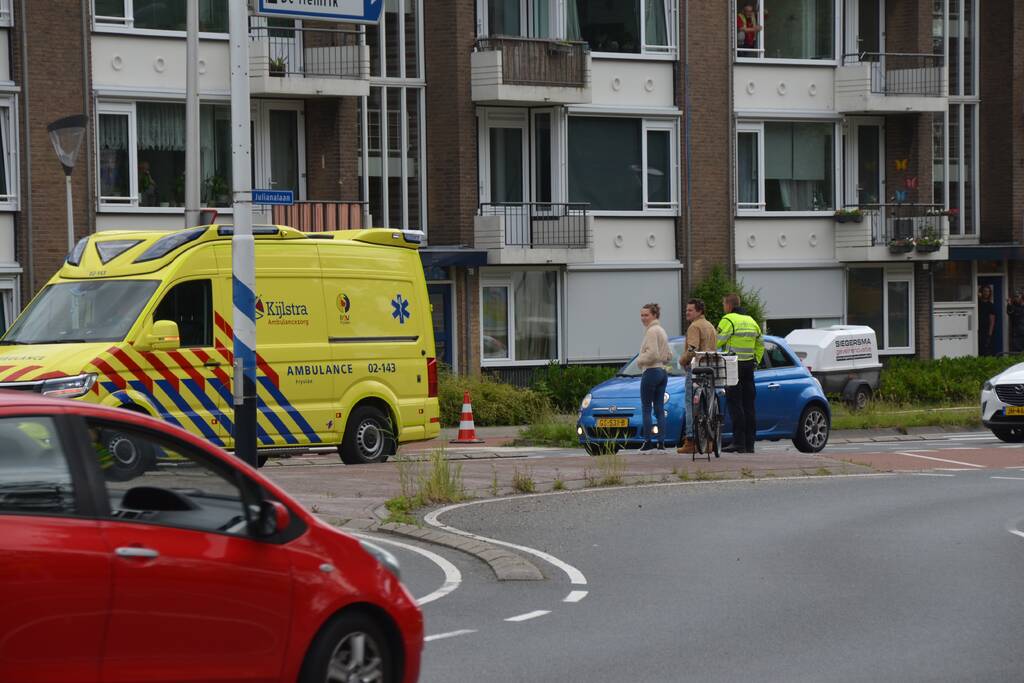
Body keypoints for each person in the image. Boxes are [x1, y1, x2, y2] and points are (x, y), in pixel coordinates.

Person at [717, 293, 764, 454]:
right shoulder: (752, 321)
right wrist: (755, 360)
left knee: (735, 404)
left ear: (729, 305)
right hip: (749, 366)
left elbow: (718, 340)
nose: (724, 308)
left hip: (732, 365)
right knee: (749, 405)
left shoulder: (728, 319)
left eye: (724, 304)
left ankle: (738, 443)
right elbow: (761, 343)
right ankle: (750, 444)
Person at [677, 298, 717, 455]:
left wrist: (682, 360)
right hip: (710, 369)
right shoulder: (710, 326)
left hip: (696, 369)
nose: (687, 312)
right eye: (686, 310)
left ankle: (691, 440)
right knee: (707, 405)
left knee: (691, 404)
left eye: (690, 310)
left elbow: (692, 349)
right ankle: (710, 441)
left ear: (699, 311)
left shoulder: (694, 326)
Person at [636, 302, 671, 452]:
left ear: (654, 315)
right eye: (641, 315)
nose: (643, 318)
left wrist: (639, 360)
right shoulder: (661, 330)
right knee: (659, 407)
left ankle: (648, 440)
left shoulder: (651, 331)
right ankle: (661, 442)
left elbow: (652, 354)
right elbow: (669, 355)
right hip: (662, 371)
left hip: (651, 371)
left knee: (646, 408)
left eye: (646, 315)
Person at [978, 285, 996, 356]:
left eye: (988, 291)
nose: (986, 293)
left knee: (986, 349)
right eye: (984, 291)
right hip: (978, 330)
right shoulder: (977, 303)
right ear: (981, 292)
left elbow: (992, 320)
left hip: (986, 331)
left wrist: (989, 334)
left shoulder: (990, 305)